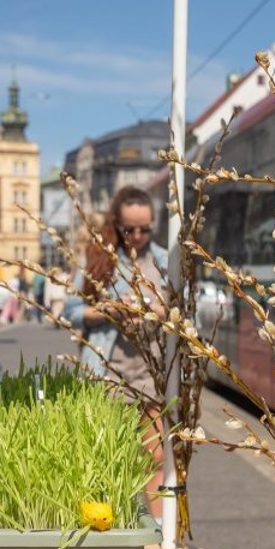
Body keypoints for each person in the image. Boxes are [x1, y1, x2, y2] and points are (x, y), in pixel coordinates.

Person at [68, 186, 168, 517]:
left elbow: (184, 316)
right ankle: (109, 529)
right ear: (117, 223)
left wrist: (160, 311)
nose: (137, 236)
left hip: (151, 372)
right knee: (108, 456)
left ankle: (159, 535)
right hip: (107, 372)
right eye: (129, 229)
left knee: (154, 456)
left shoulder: (165, 261)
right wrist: (108, 310)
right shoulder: (98, 258)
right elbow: (70, 311)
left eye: (145, 229)